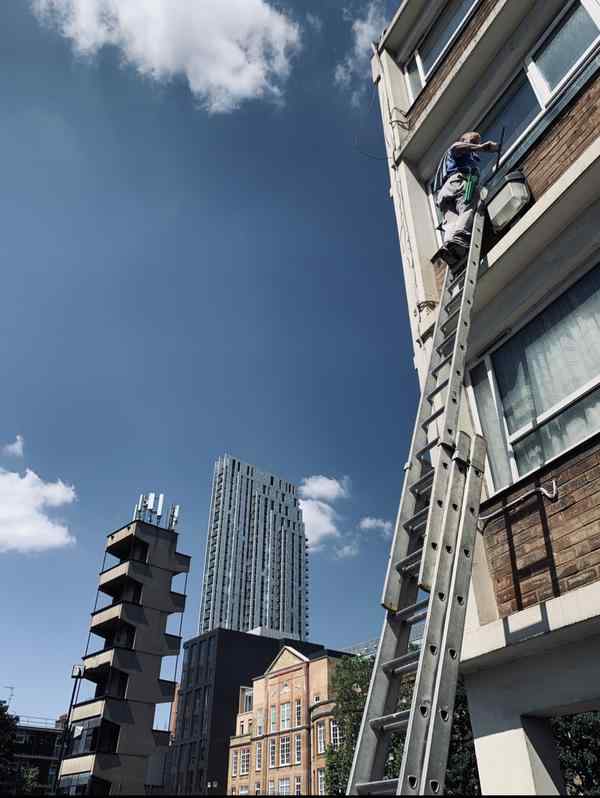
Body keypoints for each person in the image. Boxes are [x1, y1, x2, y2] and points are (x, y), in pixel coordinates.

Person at [433, 132, 498, 266]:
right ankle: (460, 238)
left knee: (452, 221)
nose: (475, 143)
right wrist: (481, 147)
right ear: (463, 139)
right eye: (473, 140)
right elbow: (457, 147)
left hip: (445, 193)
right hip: (458, 182)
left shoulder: (466, 157)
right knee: (469, 206)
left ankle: (450, 249)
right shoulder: (458, 148)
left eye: (476, 142)